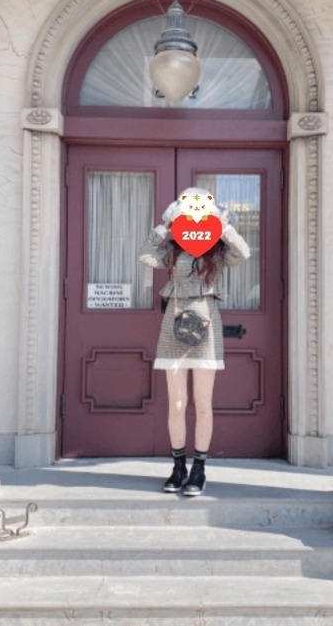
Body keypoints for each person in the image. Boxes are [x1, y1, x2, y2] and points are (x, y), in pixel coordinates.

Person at [138, 188, 250, 496]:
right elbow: (145, 255)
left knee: (202, 403)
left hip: (206, 328)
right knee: (176, 403)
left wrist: (222, 225)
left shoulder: (218, 251)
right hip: (174, 326)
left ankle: (199, 469)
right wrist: (166, 225)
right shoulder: (173, 249)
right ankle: (178, 468)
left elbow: (243, 253)